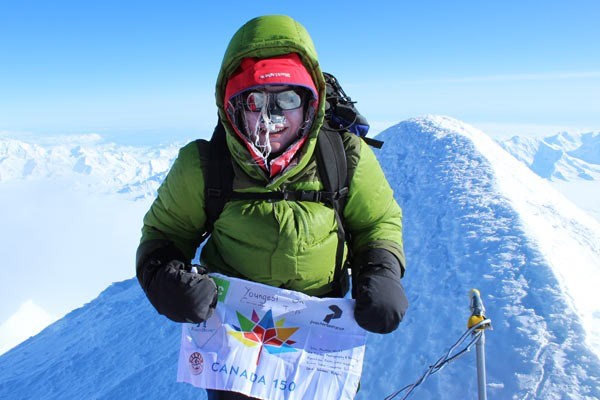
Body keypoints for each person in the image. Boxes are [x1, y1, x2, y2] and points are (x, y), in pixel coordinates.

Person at [136, 14, 408, 400]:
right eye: (255, 100)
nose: (272, 118)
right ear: (232, 108)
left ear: (312, 104)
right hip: (235, 349)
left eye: (288, 99)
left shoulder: (344, 157)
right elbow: (163, 234)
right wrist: (164, 280)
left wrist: (382, 272)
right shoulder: (204, 166)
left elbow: (377, 222)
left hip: (319, 344)